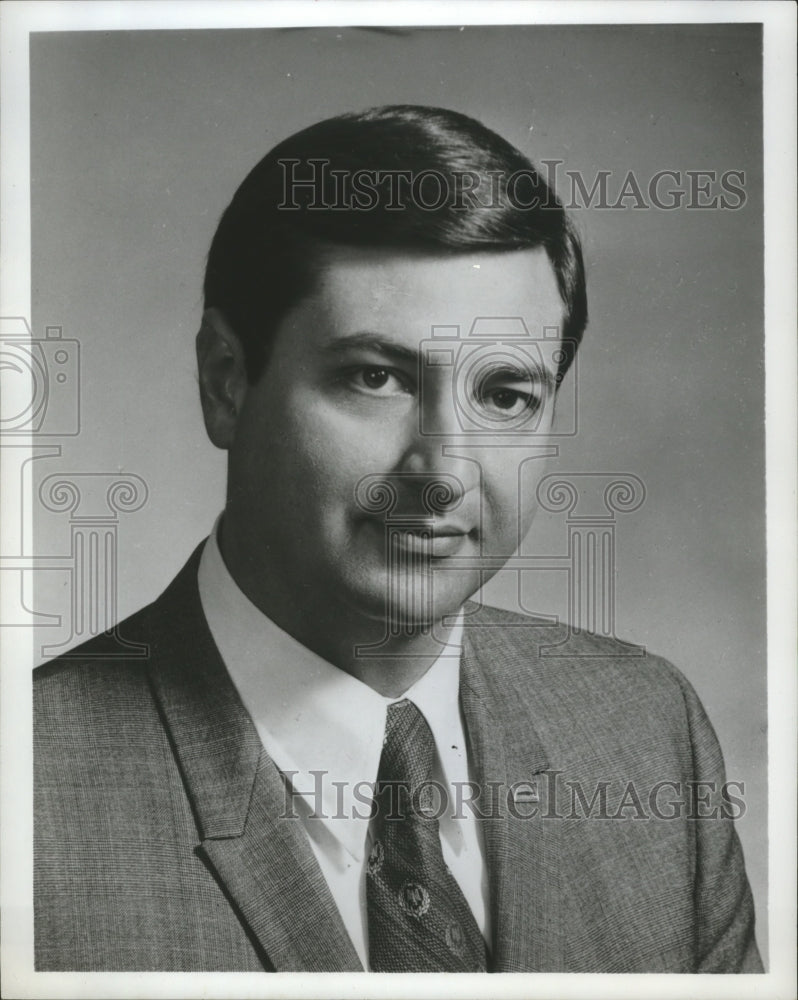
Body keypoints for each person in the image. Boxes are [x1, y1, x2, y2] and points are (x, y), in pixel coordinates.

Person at [33, 105, 762, 973]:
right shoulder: (27, 793)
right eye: (374, 377)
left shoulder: (645, 728)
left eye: (505, 395)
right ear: (227, 382)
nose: (444, 470)